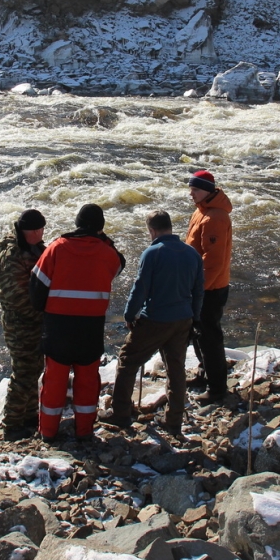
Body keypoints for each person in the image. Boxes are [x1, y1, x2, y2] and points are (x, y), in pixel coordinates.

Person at [29, 203, 125, 442]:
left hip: (58, 327)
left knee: (54, 381)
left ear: (77, 223)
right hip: (90, 329)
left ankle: (48, 432)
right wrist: (104, 239)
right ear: (101, 228)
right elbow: (120, 263)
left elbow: (36, 286)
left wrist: (44, 312)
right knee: (87, 382)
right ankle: (84, 432)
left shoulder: (57, 247)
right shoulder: (107, 253)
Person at [104, 210, 204, 437]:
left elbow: (140, 288)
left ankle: (121, 413)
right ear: (170, 226)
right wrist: (195, 318)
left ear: (152, 230)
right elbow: (199, 291)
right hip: (183, 319)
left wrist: (129, 315)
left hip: (156, 319)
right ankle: (174, 421)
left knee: (128, 361)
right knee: (176, 368)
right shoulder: (192, 253)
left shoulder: (152, 253)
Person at [0, 209, 48, 436]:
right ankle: (12, 425)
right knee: (23, 373)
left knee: (35, 369)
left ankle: (29, 416)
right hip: (20, 325)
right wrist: (46, 318)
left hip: (33, 323)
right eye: (40, 230)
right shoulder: (12, 257)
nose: (42, 233)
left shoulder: (33, 249)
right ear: (32, 231)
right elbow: (19, 299)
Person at [185, 169, 233, 403]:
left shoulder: (215, 217)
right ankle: (205, 375)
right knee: (198, 334)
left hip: (209, 288)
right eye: (190, 188)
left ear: (207, 190)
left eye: (195, 189)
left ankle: (217, 389)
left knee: (209, 337)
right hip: (201, 285)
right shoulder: (202, 209)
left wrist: (197, 291)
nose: (190, 193)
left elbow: (213, 262)